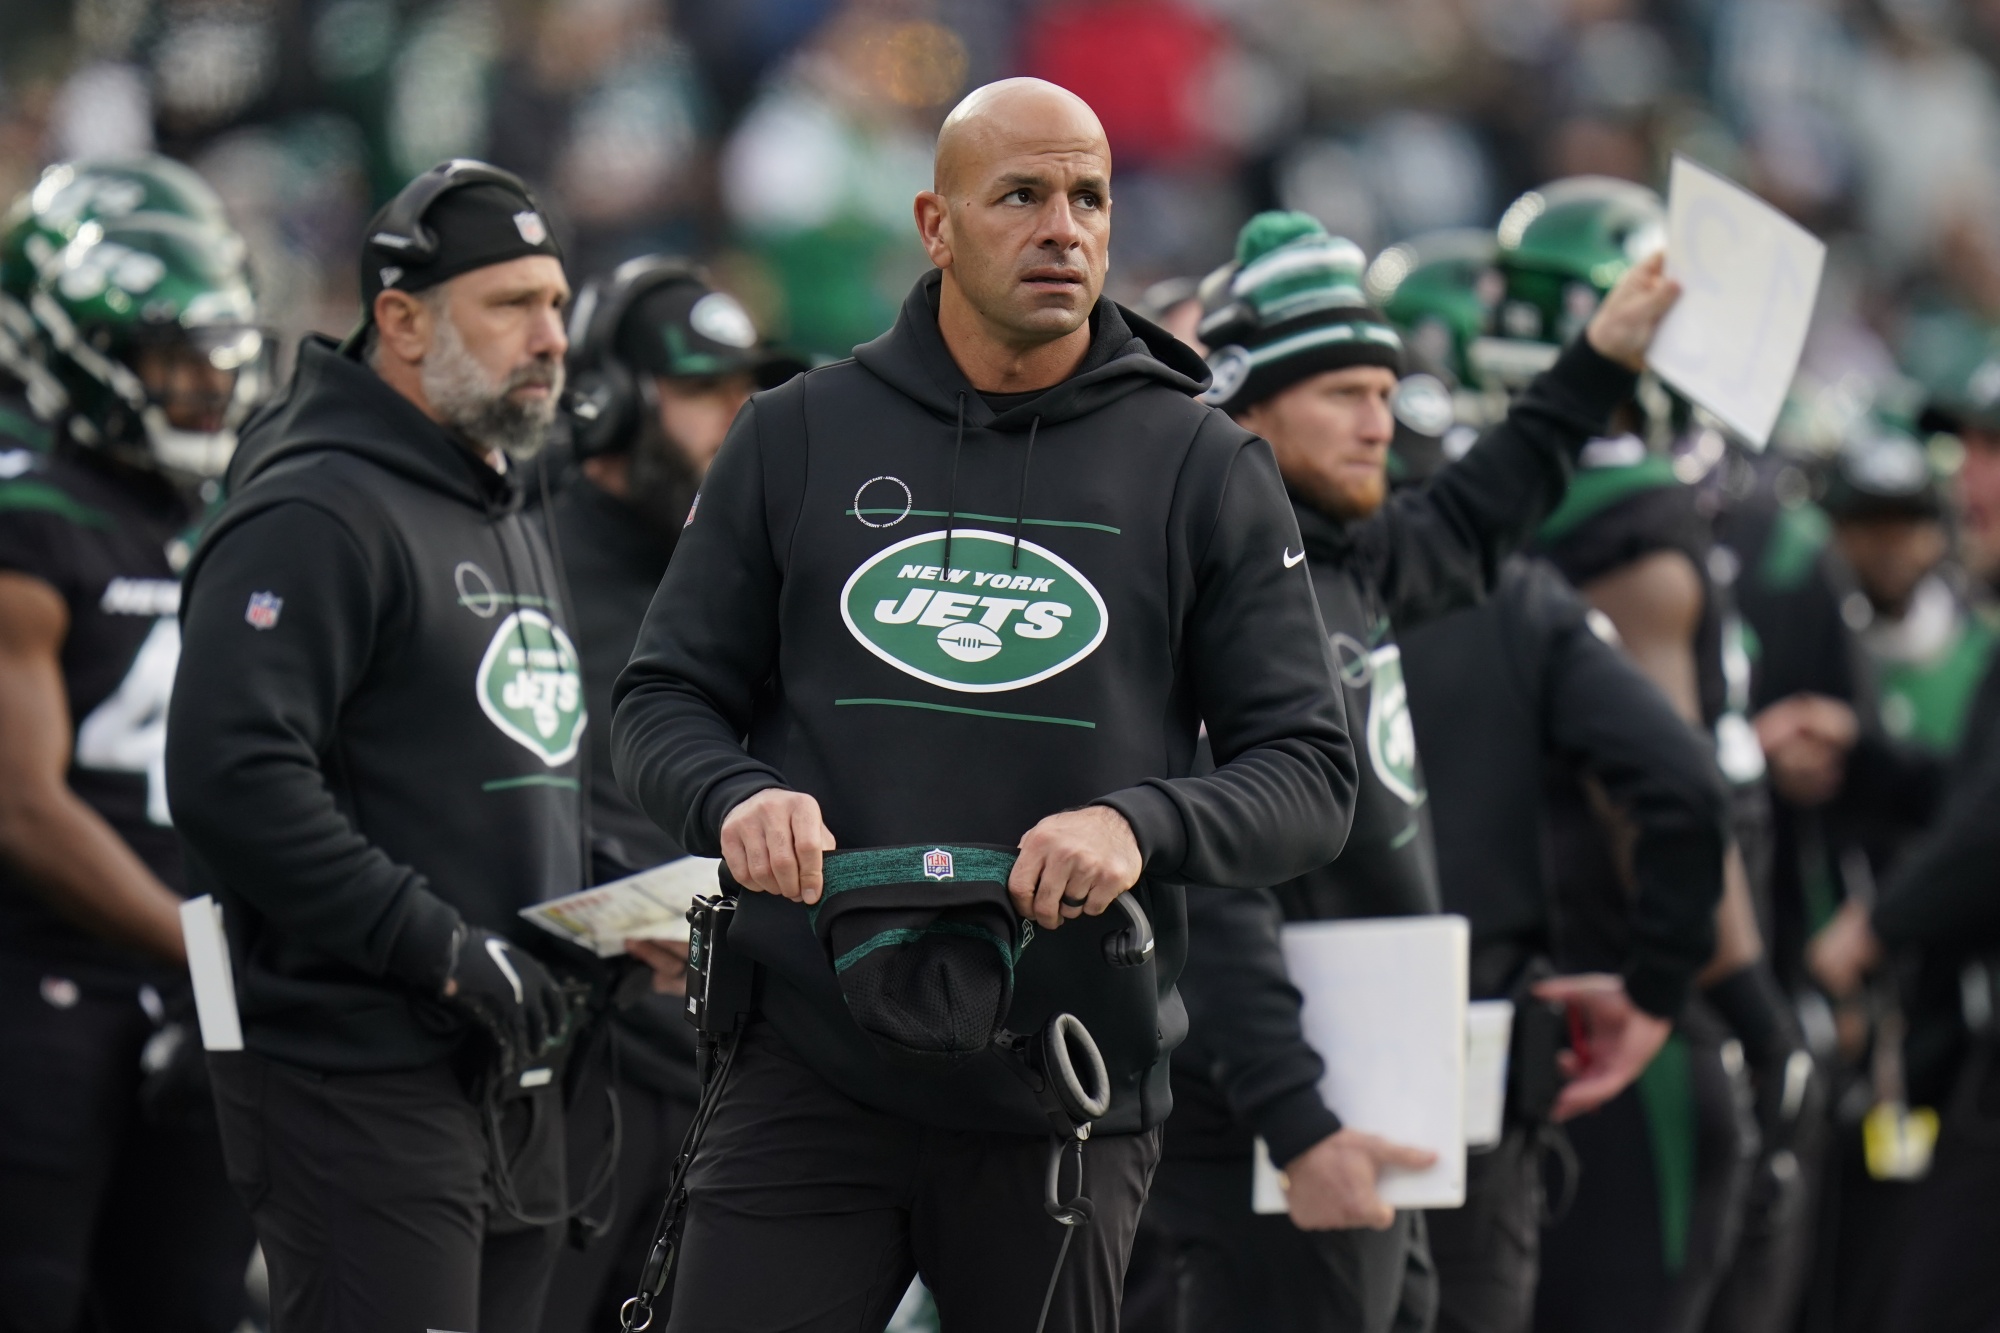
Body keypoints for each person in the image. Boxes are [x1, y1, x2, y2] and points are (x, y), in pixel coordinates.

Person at [610, 79, 1360, 1333]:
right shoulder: (795, 433)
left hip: (1062, 1074)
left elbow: (1309, 777)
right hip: (806, 1060)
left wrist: (1140, 823)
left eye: (1088, 197)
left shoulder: (1201, 463)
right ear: (935, 222)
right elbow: (657, 704)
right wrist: (732, 794)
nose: (1062, 226)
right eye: (1020, 195)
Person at [1137, 208, 1677, 1333]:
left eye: (1385, 392)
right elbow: (1211, 884)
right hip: (1275, 1121)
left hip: (1360, 1096)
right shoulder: (1205, 590)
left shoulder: (1341, 556)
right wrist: (1296, 1122)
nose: (1379, 422)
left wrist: (1599, 360)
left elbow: (1477, 521)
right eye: (1342, 393)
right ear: (1242, 403)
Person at [165, 160, 603, 1333]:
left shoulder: (495, 494)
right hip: (352, 1067)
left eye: (556, 303)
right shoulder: (315, 507)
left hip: (506, 1061)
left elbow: (502, 767)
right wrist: (441, 950)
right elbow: (229, 777)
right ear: (401, 320)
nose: (550, 336)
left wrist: (607, 916)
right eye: (510, 304)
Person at [0, 195, 262, 1333]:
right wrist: (211, 951)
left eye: (214, 358)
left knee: (191, 1305)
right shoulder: (31, 516)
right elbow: (21, 808)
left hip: (199, 983)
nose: (200, 387)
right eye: (168, 358)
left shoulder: (231, 520)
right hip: (47, 981)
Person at [536, 257, 796, 1333]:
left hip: (715, 1064)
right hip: (556, 1056)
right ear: (608, 400)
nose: (730, 422)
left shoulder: (749, 564)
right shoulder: (522, 543)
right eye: (701, 392)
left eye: (744, 394)